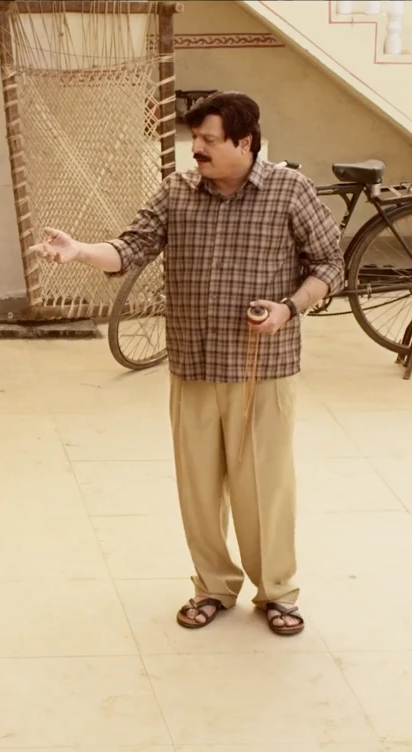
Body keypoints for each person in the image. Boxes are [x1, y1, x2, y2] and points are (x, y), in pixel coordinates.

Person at [28, 91, 344, 637]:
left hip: (261, 367)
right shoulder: (177, 191)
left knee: (263, 487)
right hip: (194, 363)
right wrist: (80, 250)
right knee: (198, 489)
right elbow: (130, 247)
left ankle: (277, 593)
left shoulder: (289, 191)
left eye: (208, 140)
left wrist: (289, 308)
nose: (195, 149)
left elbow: (330, 263)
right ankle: (213, 586)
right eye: (194, 138)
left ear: (244, 142)